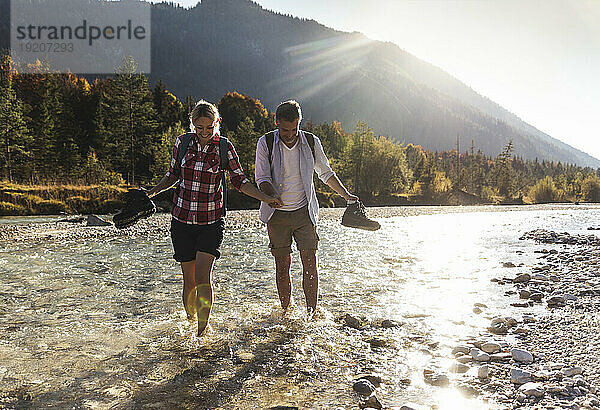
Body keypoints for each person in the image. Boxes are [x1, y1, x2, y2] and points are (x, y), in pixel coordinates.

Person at [146, 100, 283, 336]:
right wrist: (153, 191)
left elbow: (240, 181)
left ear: (216, 123)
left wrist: (264, 197)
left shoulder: (224, 148)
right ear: (193, 125)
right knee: (188, 280)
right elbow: (172, 175)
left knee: (202, 277)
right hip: (182, 219)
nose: (205, 133)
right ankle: (190, 324)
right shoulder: (182, 143)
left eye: (209, 127)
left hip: (210, 221)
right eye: (200, 128)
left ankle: (201, 331)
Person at [255, 100, 358, 317]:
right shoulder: (266, 142)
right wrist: (271, 195)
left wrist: (346, 195)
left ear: (299, 123)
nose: (290, 134)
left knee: (310, 263)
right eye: (285, 130)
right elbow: (262, 178)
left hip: (305, 213)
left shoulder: (311, 142)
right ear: (276, 122)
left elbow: (326, 173)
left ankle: (312, 314)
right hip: (276, 214)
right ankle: (286, 313)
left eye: (295, 129)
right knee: (283, 266)